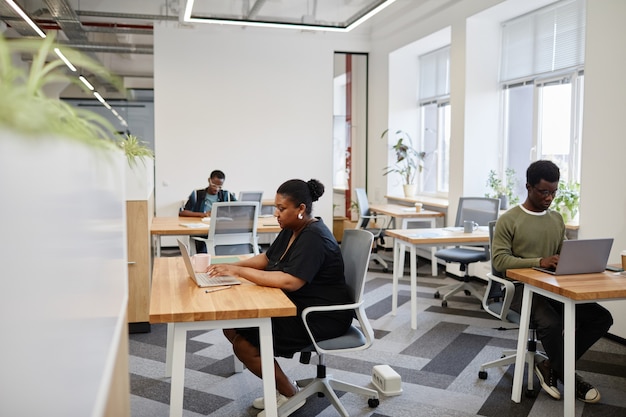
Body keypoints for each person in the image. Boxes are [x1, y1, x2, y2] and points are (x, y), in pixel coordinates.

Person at [206, 179, 353, 416]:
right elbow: (267, 260)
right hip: (299, 305)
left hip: (321, 316)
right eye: (277, 207)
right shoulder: (293, 229)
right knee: (233, 326)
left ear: (301, 209)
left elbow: (290, 281)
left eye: (281, 208)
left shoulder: (314, 237)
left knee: (244, 344)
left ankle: (291, 394)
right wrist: (232, 265)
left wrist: (240, 272)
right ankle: (285, 389)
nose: (276, 213)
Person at [491, 160, 613, 404]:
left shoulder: (556, 219)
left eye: (554, 192)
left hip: (551, 288)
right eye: (544, 191)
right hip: (519, 291)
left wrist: (575, 263)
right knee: (552, 322)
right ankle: (571, 377)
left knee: (601, 317)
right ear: (528, 187)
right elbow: (500, 260)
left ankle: (550, 365)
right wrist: (540, 260)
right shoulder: (510, 219)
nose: (549, 197)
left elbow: (563, 253)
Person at [179, 170, 236, 253]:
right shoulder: (197, 194)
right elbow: (183, 213)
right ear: (209, 180)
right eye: (214, 185)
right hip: (203, 230)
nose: (217, 189)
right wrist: (204, 214)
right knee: (205, 249)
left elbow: (239, 209)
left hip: (221, 230)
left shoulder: (226, 195)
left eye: (220, 186)